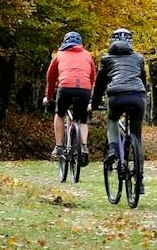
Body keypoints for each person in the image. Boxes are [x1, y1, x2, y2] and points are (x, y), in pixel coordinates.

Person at [95, 28, 149, 178]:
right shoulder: (139, 58)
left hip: (116, 96)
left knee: (112, 119)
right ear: (131, 42)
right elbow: (143, 81)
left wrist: (94, 104)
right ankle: (139, 178)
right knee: (137, 137)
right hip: (138, 96)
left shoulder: (106, 59)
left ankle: (112, 150)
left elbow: (99, 85)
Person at [44, 31, 96, 161]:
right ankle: (83, 146)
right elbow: (92, 78)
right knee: (82, 119)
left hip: (65, 88)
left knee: (60, 114)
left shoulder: (59, 55)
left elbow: (50, 79)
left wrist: (49, 98)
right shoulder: (88, 56)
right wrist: (90, 98)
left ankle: (59, 146)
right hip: (84, 89)